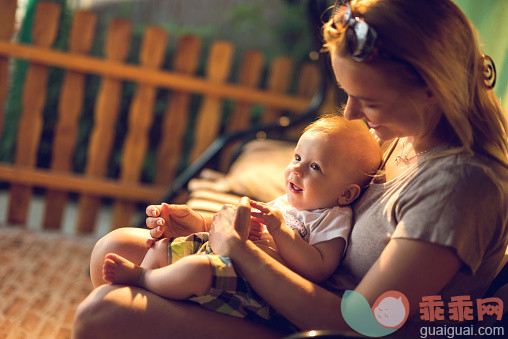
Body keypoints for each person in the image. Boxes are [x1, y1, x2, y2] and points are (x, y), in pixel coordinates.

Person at [73, 0, 508, 338]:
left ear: (432, 88)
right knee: (116, 248)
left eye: (368, 101)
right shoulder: (404, 134)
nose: (353, 115)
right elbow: (307, 213)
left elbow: (368, 323)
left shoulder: (460, 187)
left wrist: (240, 251)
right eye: (348, 94)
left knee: (105, 314)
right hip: (297, 298)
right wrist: (208, 223)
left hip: (328, 328)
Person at [100, 115, 381, 321]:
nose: (296, 170)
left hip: (255, 291)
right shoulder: (285, 202)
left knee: (197, 270)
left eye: (315, 167)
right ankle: (147, 308)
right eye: (297, 157)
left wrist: (280, 230)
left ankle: (144, 280)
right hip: (228, 263)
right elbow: (232, 229)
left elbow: (319, 268)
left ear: (346, 194)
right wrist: (198, 223)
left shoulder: (334, 218)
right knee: (162, 246)